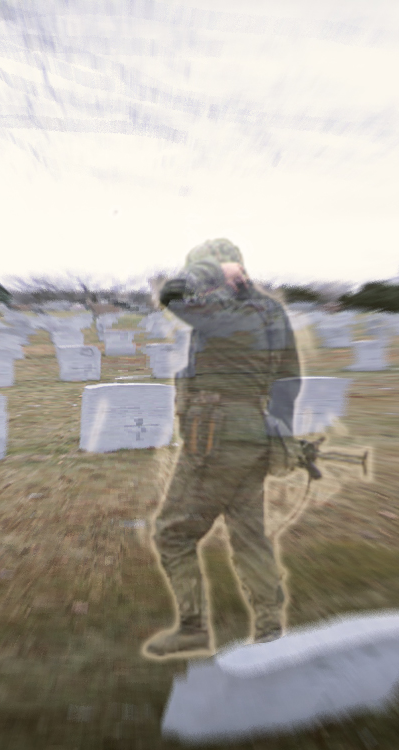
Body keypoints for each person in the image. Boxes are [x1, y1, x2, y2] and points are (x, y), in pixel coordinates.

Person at [143, 238, 305, 660]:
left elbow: (171, 293)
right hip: (255, 433)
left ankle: (193, 628)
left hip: (213, 438)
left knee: (172, 533)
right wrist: (277, 432)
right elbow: (289, 379)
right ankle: (270, 628)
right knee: (249, 535)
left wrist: (209, 273)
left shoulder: (223, 311)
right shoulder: (270, 311)